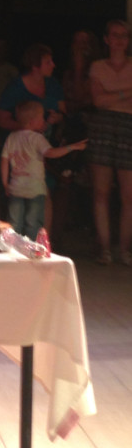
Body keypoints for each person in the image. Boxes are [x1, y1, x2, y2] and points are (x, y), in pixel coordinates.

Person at [0, 43, 66, 232]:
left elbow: (63, 112)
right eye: (48, 62)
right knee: (21, 201)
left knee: (44, 194)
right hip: (23, 152)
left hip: (46, 148)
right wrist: (27, 127)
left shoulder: (53, 85)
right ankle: (20, 240)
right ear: (35, 66)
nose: (53, 65)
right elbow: (2, 119)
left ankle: (43, 240)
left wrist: (57, 118)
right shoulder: (15, 88)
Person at [1, 101, 87, 240]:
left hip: (16, 187)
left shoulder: (12, 137)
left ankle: (13, 246)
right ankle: (32, 247)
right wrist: (72, 147)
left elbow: (4, 160)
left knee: (14, 222)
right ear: (32, 122)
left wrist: (6, 183)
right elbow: (50, 153)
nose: (44, 121)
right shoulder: (37, 138)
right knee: (33, 223)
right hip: (35, 189)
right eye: (41, 118)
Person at [88, 19, 132, 266]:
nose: (119, 40)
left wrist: (110, 96)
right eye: (115, 35)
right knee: (101, 191)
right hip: (103, 125)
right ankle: (104, 248)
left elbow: (106, 98)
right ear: (106, 39)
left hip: (129, 125)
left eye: (124, 35)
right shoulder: (97, 66)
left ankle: (124, 249)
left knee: (129, 195)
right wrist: (126, 93)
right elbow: (98, 101)